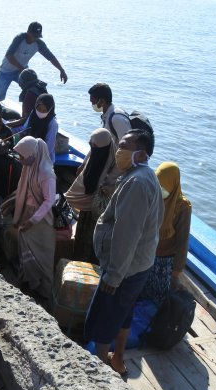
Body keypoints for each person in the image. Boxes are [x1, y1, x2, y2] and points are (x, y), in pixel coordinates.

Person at [83, 129, 163, 376]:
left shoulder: (137, 183)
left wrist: (114, 275)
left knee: (107, 317)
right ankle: (118, 357)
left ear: (141, 153)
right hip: (137, 265)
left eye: (125, 145)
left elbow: (126, 234)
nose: (119, 150)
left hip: (125, 268)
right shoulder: (141, 176)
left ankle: (100, 369)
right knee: (124, 312)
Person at [139, 162, 192, 306]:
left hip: (165, 260)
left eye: (163, 186)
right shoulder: (152, 196)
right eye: (158, 184)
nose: (159, 189)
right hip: (146, 254)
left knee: (158, 298)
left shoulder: (182, 207)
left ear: (173, 185)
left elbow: (183, 242)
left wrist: (176, 273)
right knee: (139, 293)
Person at [64, 128, 121, 263]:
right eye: (91, 145)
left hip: (100, 212)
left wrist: (108, 189)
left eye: (95, 146)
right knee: (81, 238)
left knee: (93, 243)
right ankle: (78, 261)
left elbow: (118, 187)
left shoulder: (115, 165)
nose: (93, 148)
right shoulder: (94, 157)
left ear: (104, 146)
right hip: (86, 210)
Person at [11, 136, 56, 299]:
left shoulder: (46, 173)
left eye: (22, 156)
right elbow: (22, 189)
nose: (20, 160)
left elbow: (49, 200)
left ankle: (44, 291)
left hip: (40, 219)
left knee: (41, 255)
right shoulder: (29, 167)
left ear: (33, 154)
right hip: (28, 212)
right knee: (26, 248)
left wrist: (33, 220)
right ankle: (30, 282)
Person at [0, 22, 67, 101]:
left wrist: (61, 70)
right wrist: (21, 68)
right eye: (34, 36)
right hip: (6, 71)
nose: (35, 38)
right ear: (28, 32)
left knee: (35, 89)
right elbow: (9, 55)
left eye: (37, 36)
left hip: (22, 71)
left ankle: (31, 108)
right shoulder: (19, 38)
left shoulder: (39, 44)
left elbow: (51, 57)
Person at [23, 93, 58, 162]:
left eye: (45, 111)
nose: (41, 112)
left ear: (50, 109)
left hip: (44, 159)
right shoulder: (33, 113)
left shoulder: (53, 124)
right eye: (38, 109)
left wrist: (34, 157)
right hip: (29, 153)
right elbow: (24, 129)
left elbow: (49, 148)